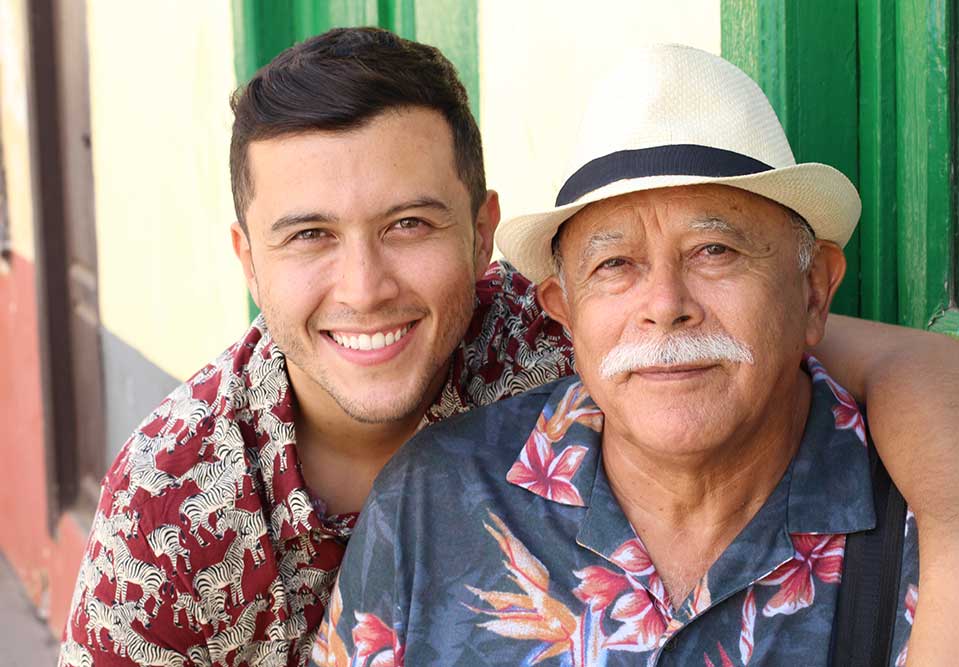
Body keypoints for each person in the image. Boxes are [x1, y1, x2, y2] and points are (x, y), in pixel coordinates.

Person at [59, 29, 956, 667]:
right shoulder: (171, 507)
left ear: (482, 234)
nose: (364, 286)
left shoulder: (551, 327)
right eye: (309, 236)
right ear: (247, 259)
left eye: (409, 224)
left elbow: (773, 345)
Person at [318, 45, 929, 666]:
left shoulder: (925, 511)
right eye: (615, 264)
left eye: (715, 250)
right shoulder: (432, 505)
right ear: (565, 312)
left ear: (813, 290)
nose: (665, 305)